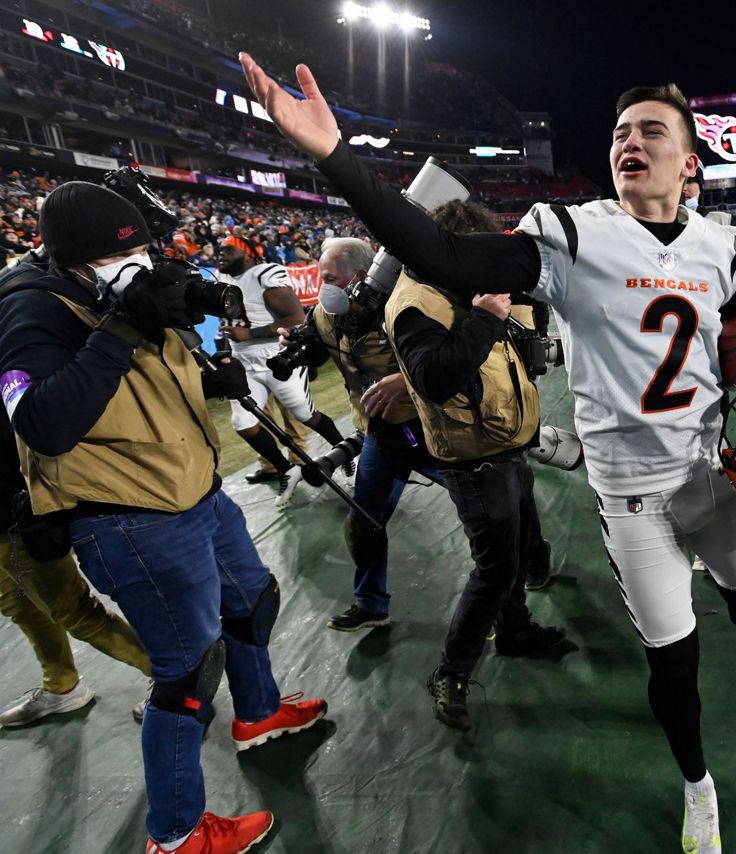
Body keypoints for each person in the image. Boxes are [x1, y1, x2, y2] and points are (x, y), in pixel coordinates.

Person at [243, 54, 736, 854]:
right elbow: (444, 256)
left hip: (705, 473)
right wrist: (336, 157)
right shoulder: (574, 236)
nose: (629, 142)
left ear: (690, 163)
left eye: (652, 130)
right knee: (673, 659)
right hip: (631, 499)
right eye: (619, 132)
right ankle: (698, 784)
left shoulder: (725, 245)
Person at [0, 181, 328, 853]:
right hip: (129, 515)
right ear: (74, 259)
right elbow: (42, 421)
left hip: (194, 487)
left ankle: (260, 716)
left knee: (250, 600)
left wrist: (215, 376)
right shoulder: (29, 309)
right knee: (187, 671)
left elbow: (145, 380)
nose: (139, 262)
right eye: (124, 253)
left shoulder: (104, 286)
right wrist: (121, 326)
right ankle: (177, 833)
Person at [383, 200, 568, 730]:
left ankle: (514, 630)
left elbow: (526, 341)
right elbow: (436, 377)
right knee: (495, 569)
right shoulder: (417, 300)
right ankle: (451, 670)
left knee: (518, 546)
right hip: (472, 457)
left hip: (508, 439)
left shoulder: (463, 287)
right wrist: (486, 316)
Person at [284, 236, 444, 631]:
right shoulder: (327, 314)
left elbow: (451, 364)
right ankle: (372, 604)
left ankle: (525, 565)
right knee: (364, 521)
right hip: (379, 435)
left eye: (329, 277)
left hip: (431, 430)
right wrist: (296, 345)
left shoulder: (406, 305)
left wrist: (404, 383)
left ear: (361, 275)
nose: (322, 286)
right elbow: (320, 353)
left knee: (485, 511)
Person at [0, 409, 151, 727]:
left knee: (76, 612)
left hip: (15, 513)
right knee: (20, 606)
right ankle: (61, 685)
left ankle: (173, 680)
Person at [216, 234, 347, 508]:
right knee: (243, 424)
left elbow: (296, 318)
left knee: (305, 414)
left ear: (249, 253)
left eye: (229, 249)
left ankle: (349, 454)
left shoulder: (266, 274)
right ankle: (286, 469)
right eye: (221, 250)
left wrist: (249, 334)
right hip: (243, 362)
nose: (221, 253)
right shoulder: (222, 279)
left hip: (275, 357)